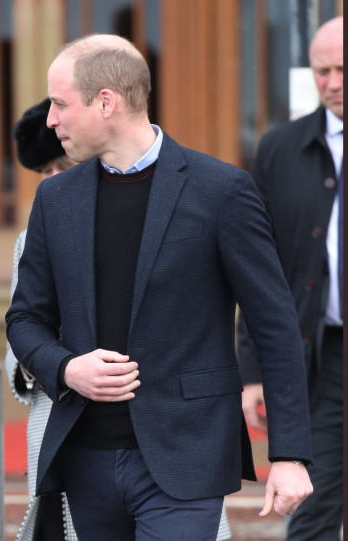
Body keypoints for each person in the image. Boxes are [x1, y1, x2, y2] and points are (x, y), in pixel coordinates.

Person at [5, 33, 314, 540]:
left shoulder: (222, 190)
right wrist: (66, 368)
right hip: (84, 458)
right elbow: (25, 318)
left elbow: (275, 324)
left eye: (60, 105)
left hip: (187, 458)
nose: (51, 120)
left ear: (106, 102)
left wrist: (289, 454)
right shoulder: (55, 199)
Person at [237, 16, 343, 541]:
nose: (333, 82)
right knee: (315, 507)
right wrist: (253, 371)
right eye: (323, 71)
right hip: (320, 355)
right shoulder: (279, 150)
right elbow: (258, 269)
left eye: (344, 69)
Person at [6, 97, 78, 541]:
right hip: (53, 418)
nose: (50, 181)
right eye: (43, 173)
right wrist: (40, 357)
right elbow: (18, 329)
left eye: (59, 167)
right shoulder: (28, 238)